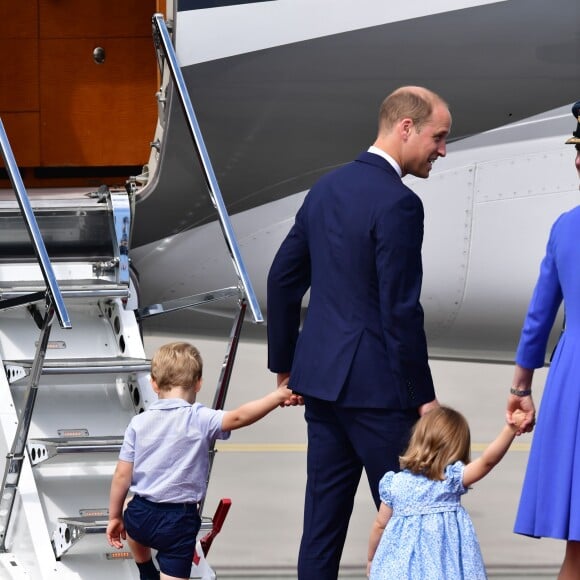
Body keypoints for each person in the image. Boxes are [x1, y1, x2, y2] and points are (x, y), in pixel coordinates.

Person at [267, 85, 451, 579]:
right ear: (405, 127)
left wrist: (287, 367)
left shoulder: (325, 189)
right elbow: (400, 312)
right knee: (412, 523)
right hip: (379, 394)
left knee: (321, 529)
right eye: (439, 136)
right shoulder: (399, 204)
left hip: (323, 386)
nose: (443, 150)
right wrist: (424, 398)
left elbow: (282, 280)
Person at [106, 341, 292, 580]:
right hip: (178, 521)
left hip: (142, 515)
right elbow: (238, 417)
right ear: (198, 383)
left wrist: (114, 518)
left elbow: (122, 475)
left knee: (129, 505)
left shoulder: (138, 423)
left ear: (153, 384)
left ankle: (145, 567)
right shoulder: (199, 417)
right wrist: (277, 396)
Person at [507, 101, 580, 579]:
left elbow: (538, 318)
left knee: (577, 551)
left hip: (575, 381)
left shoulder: (567, 226)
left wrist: (520, 388)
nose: (576, 160)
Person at [367, 406, 525, 579]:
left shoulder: (394, 484)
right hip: (444, 568)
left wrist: (371, 559)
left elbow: (380, 526)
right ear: (458, 448)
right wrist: (509, 429)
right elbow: (487, 461)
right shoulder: (449, 479)